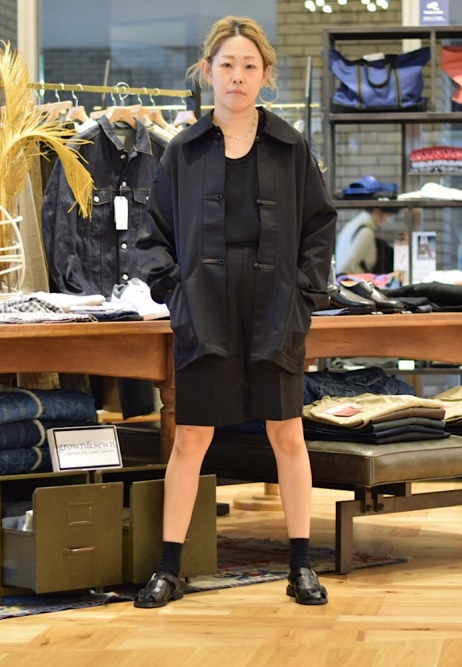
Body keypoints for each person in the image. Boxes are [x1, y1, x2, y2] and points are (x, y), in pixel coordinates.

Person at [134, 15, 336, 608]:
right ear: (208, 72)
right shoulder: (184, 151)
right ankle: (169, 567)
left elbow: (319, 227)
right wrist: (176, 295)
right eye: (227, 65)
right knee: (191, 437)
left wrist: (303, 296)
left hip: (276, 305)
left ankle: (301, 565)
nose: (238, 76)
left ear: (266, 75)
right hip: (205, 306)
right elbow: (153, 235)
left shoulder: (291, 147)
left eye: (250, 66)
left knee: (287, 433)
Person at [335, 206, 397, 275]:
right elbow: (346, 265)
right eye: (389, 215)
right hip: (356, 279)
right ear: (377, 211)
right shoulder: (366, 232)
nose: (390, 220)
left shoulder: (352, 225)